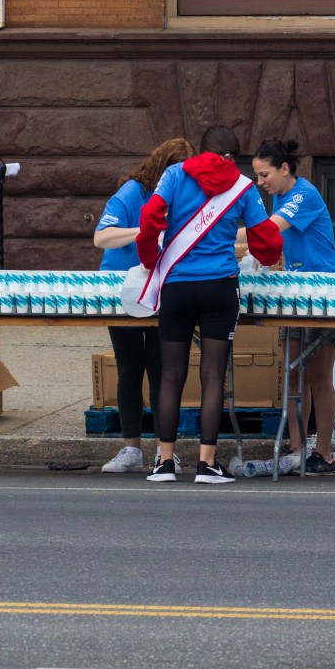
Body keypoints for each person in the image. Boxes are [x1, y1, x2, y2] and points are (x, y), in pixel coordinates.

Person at [135, 125, 282, 483]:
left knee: (170, 374)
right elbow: (265, 239)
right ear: (234, 156)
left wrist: (150, 258)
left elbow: (149, 218)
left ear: (201, 151)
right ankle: (207, 463)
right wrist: (267, 256)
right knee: (213, 375)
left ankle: (164, 462)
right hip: (220, 287)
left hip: (177, 287)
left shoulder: (174, 174)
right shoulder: (243, 186)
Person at [94, 138, 194, 473]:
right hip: (123, 288)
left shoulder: (181, 195)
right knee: (129, 367)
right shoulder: (132, 192)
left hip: (161, 289)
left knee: (162, 369)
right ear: (162, 168)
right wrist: (143, 231)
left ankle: (165, 451)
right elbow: (101, 236)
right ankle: (131, 448)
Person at [250, 139, 335, 475]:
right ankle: (295, 450)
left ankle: (323, 453)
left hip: (324, 293)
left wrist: (213, 235)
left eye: (264, 175)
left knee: (319, 374)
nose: (260, 182)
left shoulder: (304, 195)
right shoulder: (279, 196)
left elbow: (268, 231)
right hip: (295, 294)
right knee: (293, 374)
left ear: (284, 169)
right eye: (257, 176)